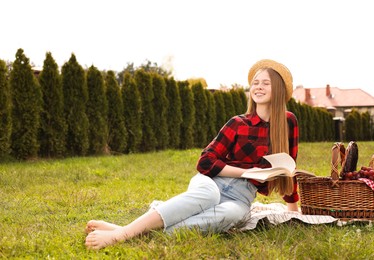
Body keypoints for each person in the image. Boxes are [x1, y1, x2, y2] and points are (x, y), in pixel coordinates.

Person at [85, 59, 299, 250]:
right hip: (213, 183)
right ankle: (122, 235)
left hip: (242, 197)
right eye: (255, 82)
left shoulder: (288, 123)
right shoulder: (237, 123)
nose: (258, 87)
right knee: (209, 196)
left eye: (265, 83)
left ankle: (128, 230)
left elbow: (288, 167)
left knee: (232, 215)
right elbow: (205, 162)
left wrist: (293, 207)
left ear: (278, 89)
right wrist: (245, 172)